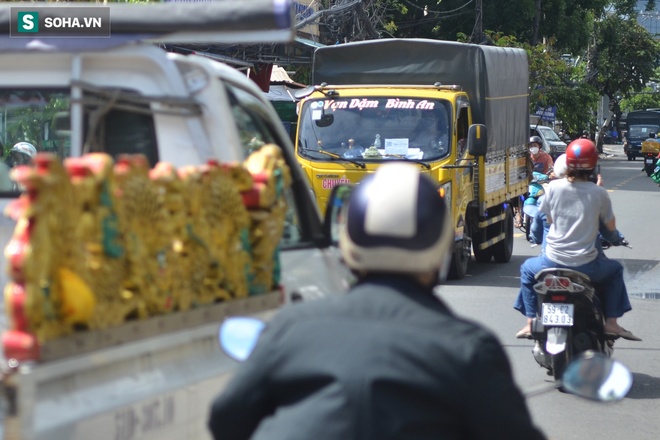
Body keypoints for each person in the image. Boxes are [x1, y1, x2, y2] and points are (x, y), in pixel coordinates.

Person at [209, 163, 547, 440]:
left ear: (349, 243)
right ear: (439, 248)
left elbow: (226, 419)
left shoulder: (290, 326)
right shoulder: (469, 349)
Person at [514, 139, 641, 342]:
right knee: (615, 270)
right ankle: (611, 323)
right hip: (587, 266)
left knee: (527, 270)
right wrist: (617, 239)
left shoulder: (553, 189)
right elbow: (609, 231)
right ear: (593, 165)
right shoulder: (599, 193)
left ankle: (530, 323)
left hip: (551, 261)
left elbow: (541, 219)